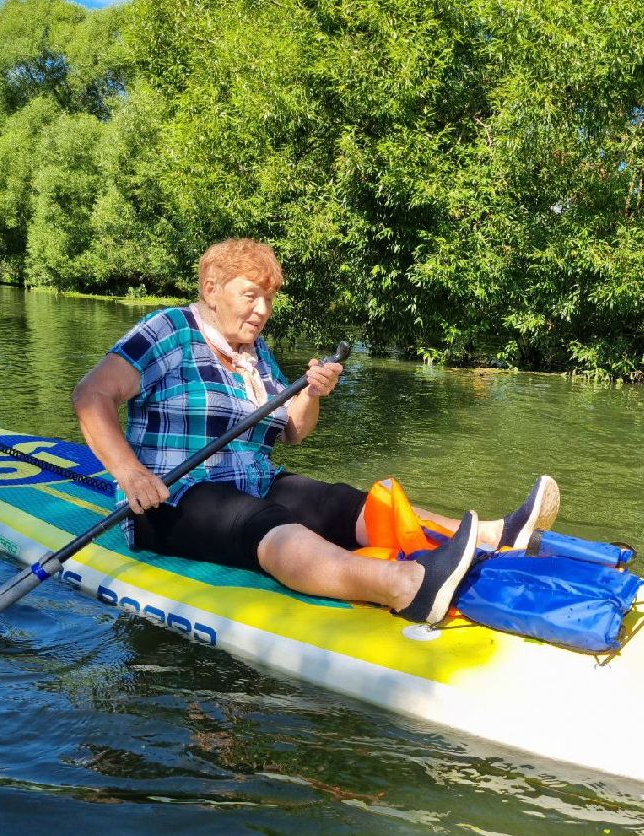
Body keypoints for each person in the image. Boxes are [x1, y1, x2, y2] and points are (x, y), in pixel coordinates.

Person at [73, 239, 560, 626]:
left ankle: (496, 535)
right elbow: (91, 395)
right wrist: (132, 475)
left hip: (254, 479)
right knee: (264, 525)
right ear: (210, 288)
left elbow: (292, 434)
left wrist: (310, 393)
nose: (262, 309)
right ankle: (406, 586)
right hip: (172, 498)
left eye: (268, 298)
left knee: (340, 501)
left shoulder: (254, 353)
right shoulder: (168, 330)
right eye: (251, 295)